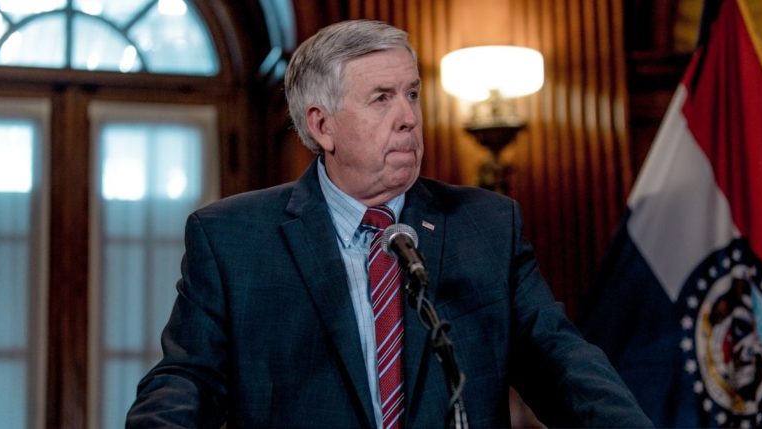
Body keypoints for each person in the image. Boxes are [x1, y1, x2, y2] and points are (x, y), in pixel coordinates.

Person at [127, 19, 652, 429]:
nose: (408, 117)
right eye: (382, 98)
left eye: (413, 94)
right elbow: (187, 382)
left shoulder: (486, 227)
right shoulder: (234, 239)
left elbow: (560, 361)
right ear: (321, 124)